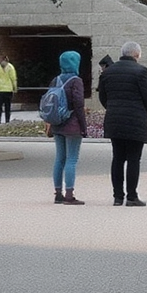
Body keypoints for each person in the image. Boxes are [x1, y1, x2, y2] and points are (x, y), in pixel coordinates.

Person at [98, 41, 147, 206]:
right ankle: (132, 196)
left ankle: (117, 197)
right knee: (133, 159)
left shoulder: (108, 72)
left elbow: (103, 97)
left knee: (117, 158)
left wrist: (113, 108)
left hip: (114, 120)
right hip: (136, 119)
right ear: (137, 55)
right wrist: (142, 112)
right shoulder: (141, 71)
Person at [48, 51, 87, 205]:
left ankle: (58, 193)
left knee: (59, 159)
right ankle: (69, 195)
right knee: (72, 159)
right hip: (72, 125)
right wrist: (83, 126)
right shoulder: (75, 81)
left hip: (57, 123)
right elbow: (79, 104)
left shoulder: (55, 79)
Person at [0, 53, 16, 124]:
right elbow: (13, 78)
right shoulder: (10, 67)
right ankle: (7, 120)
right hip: (8, 90)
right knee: (8, 107)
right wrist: (15, 88)